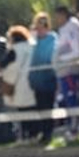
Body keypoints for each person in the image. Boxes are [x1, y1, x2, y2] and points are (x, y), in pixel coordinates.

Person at [52, 4, 79, 141]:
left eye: (57, 17)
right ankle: (71, 128)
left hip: (69, 70)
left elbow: (77, 52)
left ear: (64, 15)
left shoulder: (71, 29)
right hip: (64, 71)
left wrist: (61, 60)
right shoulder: (63, 29)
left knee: (72, 100)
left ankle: (74, 130)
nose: (56, 19)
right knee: (67, 100)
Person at [3, 24, 37, 140]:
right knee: (33, 111)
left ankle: (25, 136)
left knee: (22, 112)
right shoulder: (33, 47)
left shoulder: (14, 50)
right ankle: (35, 134)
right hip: (33, 82)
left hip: (19, 85)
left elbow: (6, 67)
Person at [28, 12, 57, 143]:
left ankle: (48, 133)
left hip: (49, 78)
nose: (40, 28)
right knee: (40, 107)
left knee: (48, 106)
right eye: (38, 25)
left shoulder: (53, 39)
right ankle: (42, 132)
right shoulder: (33, 41)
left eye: (44, 24)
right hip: (36, 80)